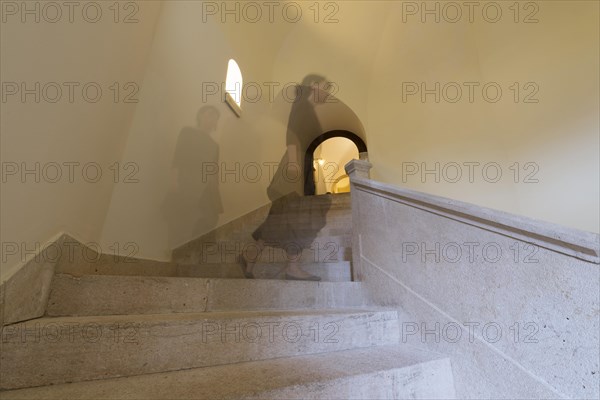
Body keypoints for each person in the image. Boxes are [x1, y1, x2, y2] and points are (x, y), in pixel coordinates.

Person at [240, 75, 332, 280]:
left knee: (283, 214)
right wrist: (293, 161)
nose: (327, 92)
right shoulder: (302, 106)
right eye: (325, 87)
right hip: (297, 161)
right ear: (314, 85)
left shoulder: (308, 109)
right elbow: (293, 133)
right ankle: (292, 266)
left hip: (302, 163)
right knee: (298, 215)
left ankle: (250, 256)